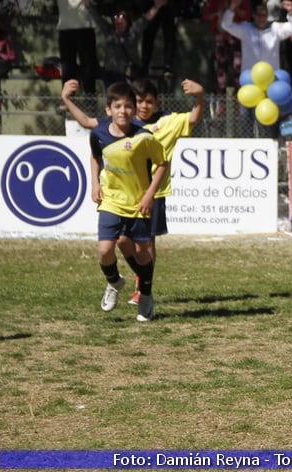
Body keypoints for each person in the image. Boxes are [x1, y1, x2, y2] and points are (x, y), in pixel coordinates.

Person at [63, 77, 205, 308]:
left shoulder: (165, 123)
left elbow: (193, 118)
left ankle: (143, 289)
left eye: (149, 102)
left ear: (156, 104)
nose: (143, 106)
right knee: (119, 241)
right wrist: (66, 99)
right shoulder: (119, 123)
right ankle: (130, 281)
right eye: (138, 101)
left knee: (146, 246)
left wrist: (200, 95)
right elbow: (89, 126)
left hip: (152, 193)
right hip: (118, 196)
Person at [89, 81, 168, 322]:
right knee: (104, 250)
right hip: (111, 201)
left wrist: (149, 195)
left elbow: (163, 164)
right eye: (117, 106)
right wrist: (95, 184)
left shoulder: (144, 136)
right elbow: (95, 156)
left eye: (127, 107)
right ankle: (114, 282)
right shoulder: (98, 134)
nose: (123, 111)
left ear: (134, 110)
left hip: (138, 203)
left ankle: (145, 295)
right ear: (108, 110)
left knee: (142, 252)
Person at [222, 0, 292, 136]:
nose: (262, 18)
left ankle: (272, 145)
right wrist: (232, 8)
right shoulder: (246, 29)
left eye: (264, 15)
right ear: (254, 16)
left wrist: (291, 12)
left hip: (271, 83)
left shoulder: (275, 29)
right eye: (259, 15)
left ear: (267, 15)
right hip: (250, 82)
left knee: (270, 119)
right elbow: (226, 25)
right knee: (246, 118)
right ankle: (247, 146)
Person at [87, 0, 167, 88]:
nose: (119, 19)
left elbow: (145, 19)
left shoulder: (132, 33)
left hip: (128, 75)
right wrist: (88, 5)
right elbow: (98, 18)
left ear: (127, 20)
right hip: (110, 75)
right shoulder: (109, 32)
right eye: (116, 17)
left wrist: (156, 7)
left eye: (122, 17)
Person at [57, 0, 100, 94]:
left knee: (87, 63)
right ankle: (69, 97)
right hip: (67, 26)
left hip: (84, 26)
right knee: (68, 64)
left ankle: (90, 98)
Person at [141, 0, 181, 79]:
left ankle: (168, 65)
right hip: (153, 9)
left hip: (167, 8)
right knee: (148, 33)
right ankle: (145, 65)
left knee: (170, 34)